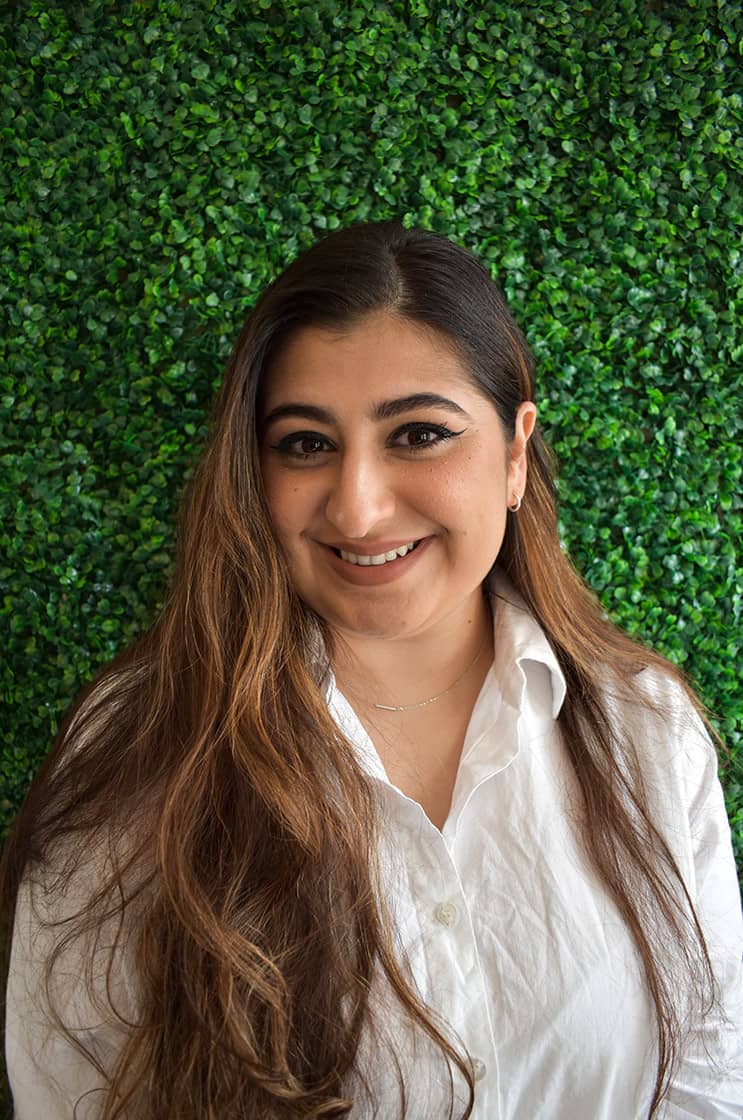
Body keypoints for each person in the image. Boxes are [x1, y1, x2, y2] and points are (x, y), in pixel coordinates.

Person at [2, 221, 741, 1120]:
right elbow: (76, 1089)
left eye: (419, 434)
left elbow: (710, 1064)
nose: (357, 506)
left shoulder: (644, 727)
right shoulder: (137, 739)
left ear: (514, 454)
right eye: (306, 443)